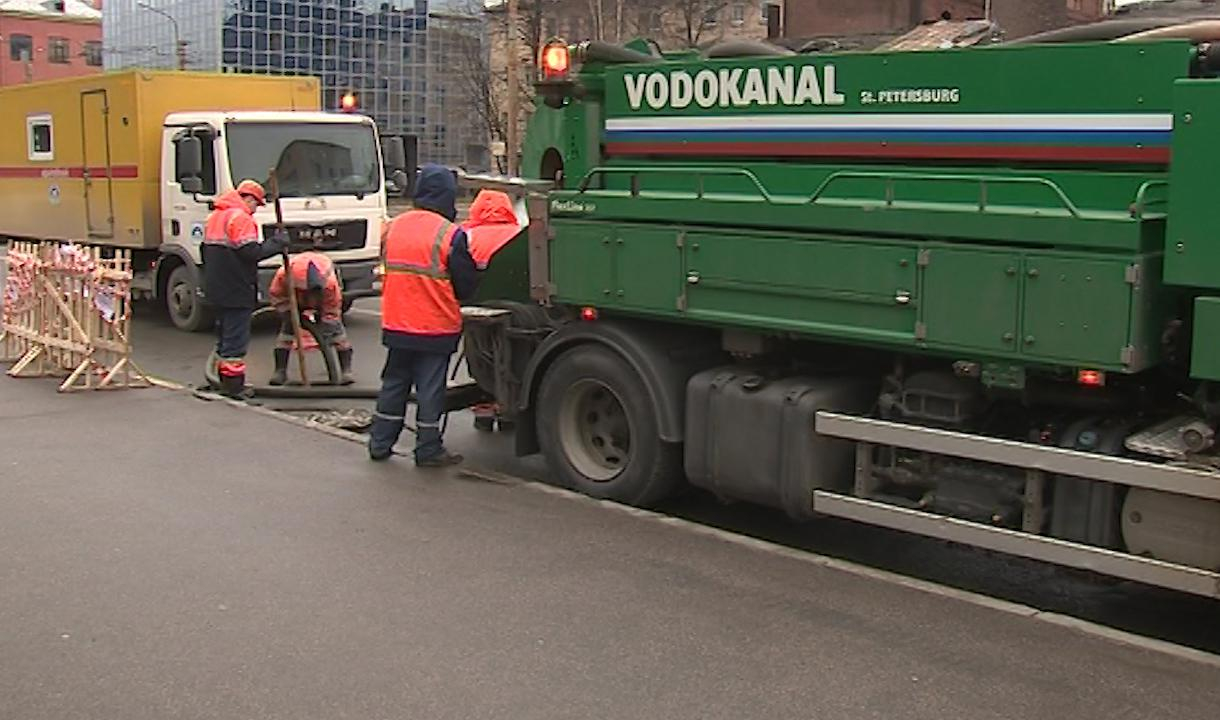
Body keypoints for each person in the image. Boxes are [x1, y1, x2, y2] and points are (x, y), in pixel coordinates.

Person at [368, 165, 481, 467]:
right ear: (447, 196)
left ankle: (380, 442)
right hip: (434, 326)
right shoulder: (449, 233)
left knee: (394, 383)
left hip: (397, 322)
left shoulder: (394, 227)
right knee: (430, 389)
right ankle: (428, 448)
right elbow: (466, 284)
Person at [201, 179, 286, 398]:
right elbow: (251, 253)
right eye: (256, 205)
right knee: (235, 341)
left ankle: (221, 380)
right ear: (249, 199)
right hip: (237, 288)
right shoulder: (240, 217)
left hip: (216, 287)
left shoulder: (216, 216)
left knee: (223, 337)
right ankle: (234, 387)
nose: (256, 210)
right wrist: (276, 244)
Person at [461, 189, 523, 432]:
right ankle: (507, 407)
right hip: (516, 312)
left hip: (478, 310)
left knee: (478, 356)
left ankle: (484, 408)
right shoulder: (518, 234)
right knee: (510, 357)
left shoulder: (467, 235)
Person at [267, 247, 354, 386]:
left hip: (323, 299)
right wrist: (287, 312)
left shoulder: (329, 284)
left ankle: (345, 371)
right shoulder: (284, 276)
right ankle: (280, 371)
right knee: (287, 333)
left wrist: (325, 323)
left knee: (337, 333)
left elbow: (333, 308)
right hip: (293, 300)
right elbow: (276, 296)